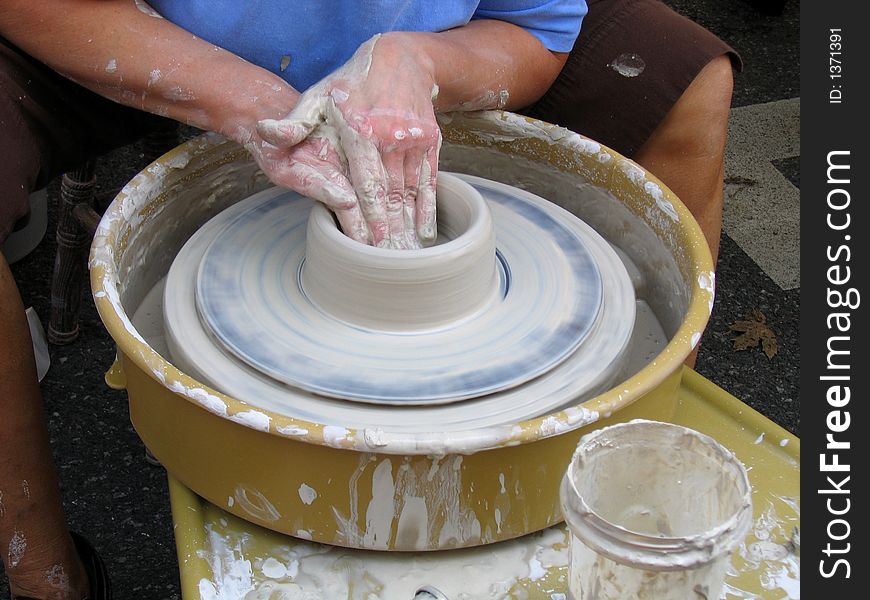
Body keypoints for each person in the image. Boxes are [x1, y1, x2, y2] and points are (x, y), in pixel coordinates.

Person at [1, 1, 737, 597]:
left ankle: (644, 457)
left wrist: (416, 61)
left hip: (426, 40)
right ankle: (45, 570)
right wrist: (248, 97)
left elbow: (534, 24)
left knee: (687, 79)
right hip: (150, 25)